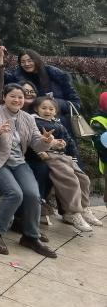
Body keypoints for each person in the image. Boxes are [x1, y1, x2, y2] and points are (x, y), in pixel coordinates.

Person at [0, 83, 58, 258]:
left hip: (18, 161)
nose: (17, 100)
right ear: (4, 97)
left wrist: (46, 140)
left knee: (33, 195)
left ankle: (30, 237)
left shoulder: (28, 118)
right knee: (14, 193)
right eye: (13, 96)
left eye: (20, 97)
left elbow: (36, 143)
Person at [31, 96, 101, 231]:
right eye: (44, 108)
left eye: (51, 108)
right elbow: (32, 139)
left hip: (63, 156)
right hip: (50, 156)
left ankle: (84, 208)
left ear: (55, 111)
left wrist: (66, 147)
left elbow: (69, 141)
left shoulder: (58, 124)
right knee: (70, 179)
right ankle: (74, 213)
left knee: (84, 179)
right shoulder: (34, 122)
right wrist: (51, 144)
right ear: (36, 109)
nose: (47, 111)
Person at [6, 50, 82, 125]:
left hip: (58, 123)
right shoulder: (17, 77)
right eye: (23, 62)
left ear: (37, 60)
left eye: (30, 61)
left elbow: (76, 103)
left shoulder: (56, 75)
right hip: (30, 123)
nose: (26, 64)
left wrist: (53, 103)